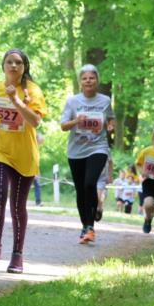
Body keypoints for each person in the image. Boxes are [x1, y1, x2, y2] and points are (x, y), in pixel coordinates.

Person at [0, 48, 47, 274]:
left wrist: (16, 100)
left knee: (18, 205)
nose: (14, 66)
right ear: (3, 66)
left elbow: (35, 122)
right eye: (10, 62)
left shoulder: (33, 91)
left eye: (18, 63)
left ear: (24, 67)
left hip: (24, 154)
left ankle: (17, 255)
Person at [60, 64, 115, 244]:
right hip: (76, 151)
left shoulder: (105, 101)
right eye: (85, 78)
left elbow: (111, 118)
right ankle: (86, 225)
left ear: (97, 81)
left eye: (92, 78)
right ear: (80, 83)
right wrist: (77, 120)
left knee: (90, 183)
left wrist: (111, 126)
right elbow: (63, 126)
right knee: (81, 190)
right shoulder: (73, 101)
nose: (88, 81)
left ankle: (90, 226)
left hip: (98, 147)